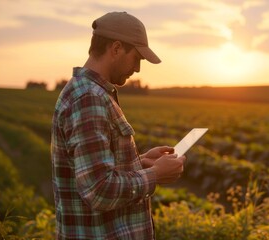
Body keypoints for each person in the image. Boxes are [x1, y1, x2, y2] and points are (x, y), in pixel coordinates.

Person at [51, 11, 186, 239]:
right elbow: (99, 190)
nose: (138, 69)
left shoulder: (89, 93)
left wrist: (139, 162)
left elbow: (90, 168)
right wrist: (154, 174)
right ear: (115, 49)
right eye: (137, 58)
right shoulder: (88, 99)